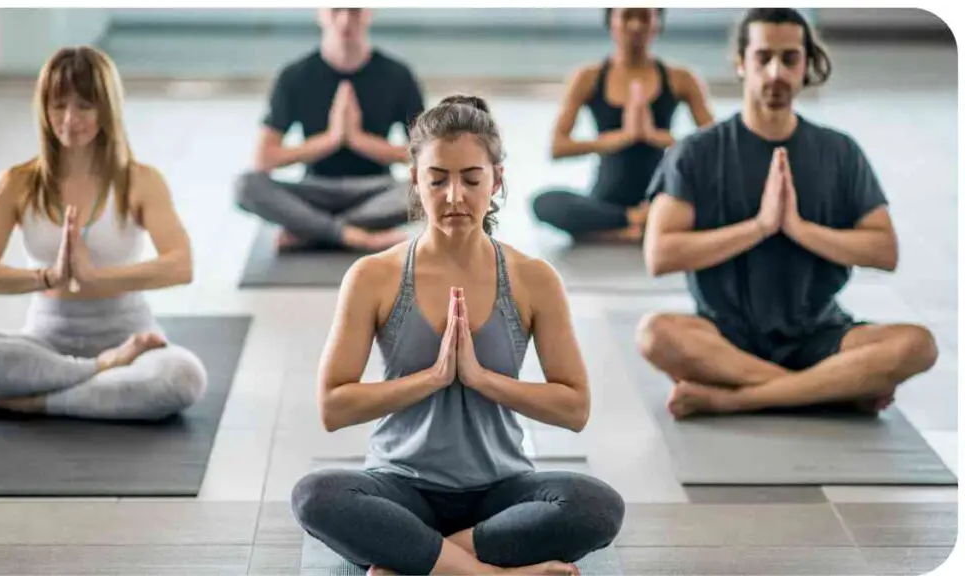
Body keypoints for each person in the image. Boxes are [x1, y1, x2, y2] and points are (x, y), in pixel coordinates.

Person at [290, 96, 624, 576]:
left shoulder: (533, 279)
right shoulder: (373, 277)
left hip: (499, 492)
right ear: (414, 180)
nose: (454, 197)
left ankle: (422, 559)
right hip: (401, 486)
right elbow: (332, 407)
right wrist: (432, 378)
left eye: (471, 179)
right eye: (438, 179)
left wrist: (480, 378)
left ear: (497, 179)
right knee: (315, 496)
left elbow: (574, 408)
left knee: (597, 507)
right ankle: (491, 573)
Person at [637, 8, 938, 419]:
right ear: (742, 62)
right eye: (764, 57)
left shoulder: (839, 151)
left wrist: (798, 228)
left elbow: (885, 251)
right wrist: (760, 227)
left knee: (917, 345)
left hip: (819, 335)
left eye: (790, 58)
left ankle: (740, 397)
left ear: (806, 65)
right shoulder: (696, 152)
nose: (776, 72)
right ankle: (829, 388)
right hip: (725, 339)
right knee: (656, 334)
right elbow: (660, 255)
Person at [0, 46, 207, 420]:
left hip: (129, 334)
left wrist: (95, 278)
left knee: (182, 378)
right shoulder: (16, 184)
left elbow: (181, 266)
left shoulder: (140, 181)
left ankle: (35, 400)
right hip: (45, 342)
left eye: (84, 106)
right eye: (58, 106)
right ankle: (98, 371)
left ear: (106, 108)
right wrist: (49, 277)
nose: (70, 119)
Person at [234, 8, 426, 252]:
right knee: (245, 185)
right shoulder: (294, 76)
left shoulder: (398, 75)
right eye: (336, 10)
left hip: (376, 190)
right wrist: (331, 139)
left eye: (354, 11)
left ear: (369, 13)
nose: (345, 20)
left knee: (434, 185)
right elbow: (263, 159)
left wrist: (358, 140)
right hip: (314, 192)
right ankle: (355, 234)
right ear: (320, 14)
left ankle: (315, 232)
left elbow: (427, 156)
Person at [532, 8, 714, 243]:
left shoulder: (681, 78)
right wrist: (621, 138)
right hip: (605, 202)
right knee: (544, 203)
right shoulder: (588, 77)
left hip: (662, 198)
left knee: (723, 201)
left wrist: (656, 137)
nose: (636, 25)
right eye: (628, 16)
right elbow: (557, 147)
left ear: (658, 23)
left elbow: (714, 148)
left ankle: (619, 229)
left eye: (644, 17)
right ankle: (633, 221)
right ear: (612, 21)